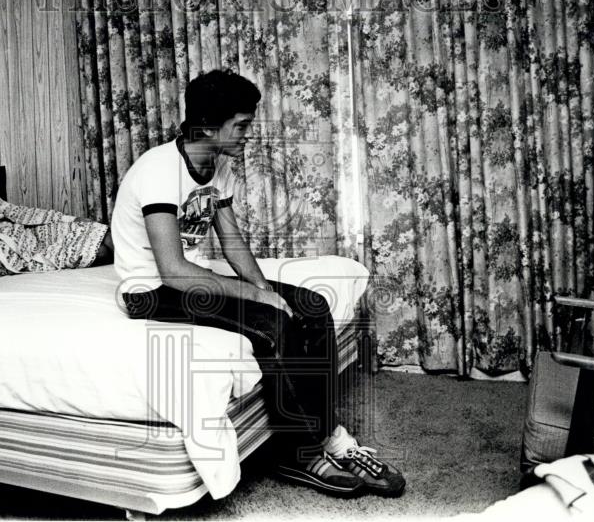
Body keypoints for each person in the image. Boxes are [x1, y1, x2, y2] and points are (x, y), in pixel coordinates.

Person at [112, 69, 405, 498]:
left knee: (310, 305)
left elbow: (231, 242)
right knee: (270, 325)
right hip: (149, 292)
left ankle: (329, 436)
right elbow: (173, 269)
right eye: (242, 125)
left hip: (186, 281)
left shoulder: (217, 166)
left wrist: (263, 286)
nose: (249, 135)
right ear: (209, 127)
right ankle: (299, 455)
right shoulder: (158, 170)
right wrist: (253, 294)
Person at [0, 142, 111, 279]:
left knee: (103, 232)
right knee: (101, 252)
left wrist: (69, 219)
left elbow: (16, 212)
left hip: (30, 237)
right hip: (13, 258)